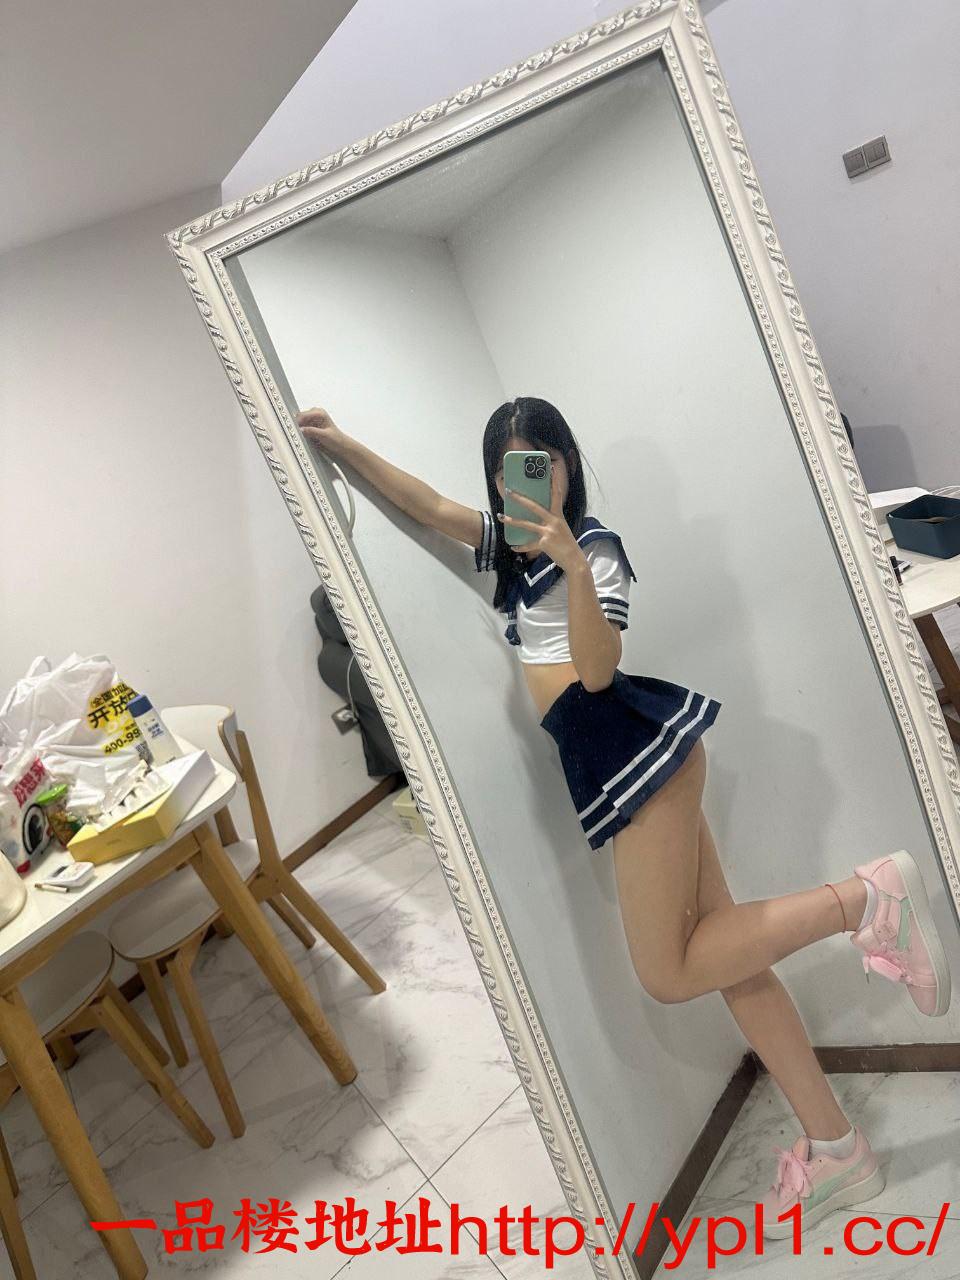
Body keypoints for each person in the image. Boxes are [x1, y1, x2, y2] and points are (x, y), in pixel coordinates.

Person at [297, 395, 951, 1239]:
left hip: (634, 757)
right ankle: (838, 1148)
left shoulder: (595, 549)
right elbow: (425, 503)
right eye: (507, 468)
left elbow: (600, 669)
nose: (523, 482)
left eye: (540, 464)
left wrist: (573, 565)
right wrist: (341, 444)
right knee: (732, 962)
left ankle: (865, 900)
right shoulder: (510, 549)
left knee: (668, 974)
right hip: (624, 764)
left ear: (567, 466)